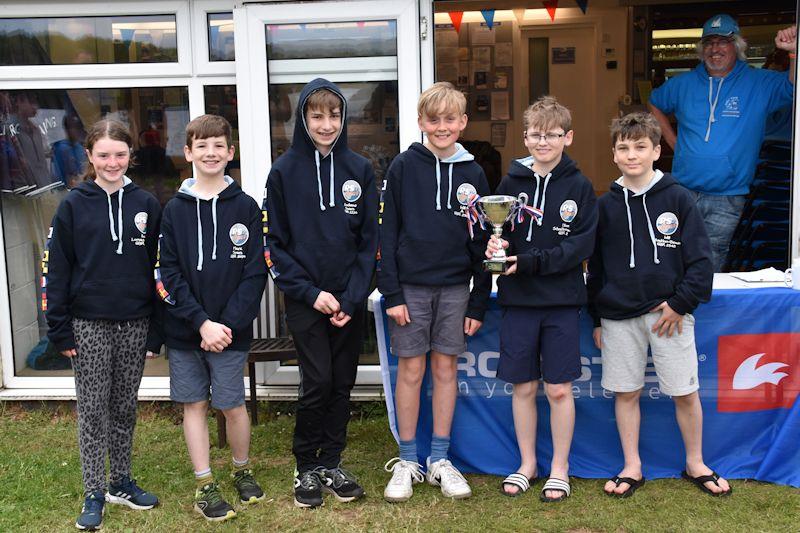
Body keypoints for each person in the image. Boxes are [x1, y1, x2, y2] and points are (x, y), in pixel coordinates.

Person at [587, 112, 729, 499]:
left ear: (657, 150)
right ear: (614, 154)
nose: (631, 155)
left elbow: (701, 261)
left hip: (670, 316)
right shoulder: (604, 206)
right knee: (626, 392)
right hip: (618, 317)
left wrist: (679, 304)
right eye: (623, 147)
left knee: (685, 391)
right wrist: (598, 318)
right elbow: (595, 269)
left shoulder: (678, 197)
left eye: (640, 147)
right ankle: (632, 465)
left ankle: (695, 462)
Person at [263, 78, 378, 508]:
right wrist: (311, 295)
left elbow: (370, 244)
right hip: (306, 301)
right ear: (303, 119)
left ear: (343, 118)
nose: (326, 124)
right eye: (317, 116)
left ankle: (331, 461)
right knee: (318, 382)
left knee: (342, 383)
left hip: (348, 302)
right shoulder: (284, 171)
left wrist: (351, 299)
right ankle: (305, 466)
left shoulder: (361, 170)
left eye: (333, 115)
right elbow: (274, 244)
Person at [43, 119, 162, 530]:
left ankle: (121, 481)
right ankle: (94, 489)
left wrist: (158, 328)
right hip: (88, 323)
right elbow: (57, 270)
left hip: (135, 321)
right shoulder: (73, 204)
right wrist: (58, 327)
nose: (113, 162)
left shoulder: (147, 203)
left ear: (131, 155)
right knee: (93, 410)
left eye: (121, 154)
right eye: (104, 155)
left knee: (125, 407)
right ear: (90, 157)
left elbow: (158, 270)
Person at [379, 81, 491, 503]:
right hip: (410, 288)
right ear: (421, 121)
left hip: (455, 288)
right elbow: (386, 234)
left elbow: (483, 242)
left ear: (462, 122)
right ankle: (408, 459)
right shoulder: (403, 167)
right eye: (434, 119)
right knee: (411, 371)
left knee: (446, 371)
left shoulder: (474, 172)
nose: (441, 126)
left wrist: (479, 298)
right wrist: (391, 293)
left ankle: (440, 459)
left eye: (450, 119)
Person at [486, 96, 597, 502]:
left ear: (568, 137)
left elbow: (579, 247)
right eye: (535, 134)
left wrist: (529, 262)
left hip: (562, 301)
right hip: (518, 301)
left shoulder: (580, 186)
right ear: (526, 137)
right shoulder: (510, 183)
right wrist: (496, 245)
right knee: (522, 387)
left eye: (552, 135)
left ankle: (560, 469)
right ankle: (527, 464)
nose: (543, 142)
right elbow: (498, 232)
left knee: (559, 390)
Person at [157, 114, 267, 521]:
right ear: (188, 153)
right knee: (195, 405)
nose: (210, 152)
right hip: (187, 329)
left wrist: (227, 325)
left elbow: (256, 272)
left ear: (231, 153)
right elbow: (167, 273)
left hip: (230, 331)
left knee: (232, 404)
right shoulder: (173, 211)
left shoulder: (247, 208)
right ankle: (205, 483)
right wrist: (201, 323)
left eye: (218, 145)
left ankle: (242, 469)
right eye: (201, 146)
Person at [648, 15, 797, 271]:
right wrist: (674, 142)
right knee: (671, 254)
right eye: (709, 42)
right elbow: (654, 102)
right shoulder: (682, 83)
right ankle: (673, 308)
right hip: (682, 190)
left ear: (737, 46)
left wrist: (794, 54)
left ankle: (701, 311)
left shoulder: (758, 82)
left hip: (728, 196)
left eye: (723, 42)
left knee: (710, 261)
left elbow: (793, 87)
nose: (715, 49)